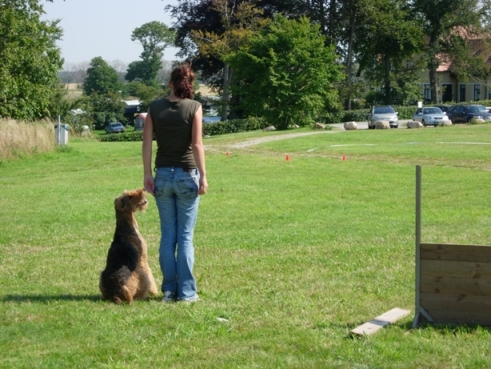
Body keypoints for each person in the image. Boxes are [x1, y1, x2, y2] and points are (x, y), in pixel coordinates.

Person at [142, 63, 208, 303]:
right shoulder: (195, 107)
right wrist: (203, 175)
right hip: (186, 175)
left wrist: (147, 174)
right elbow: (197, 144)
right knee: (185, 236)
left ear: (170, 82)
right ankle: (187, 293)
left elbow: (147, 143)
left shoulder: (154, 107)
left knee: (168, 235)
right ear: (189, 84)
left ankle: (169, 291)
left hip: (162, 176)